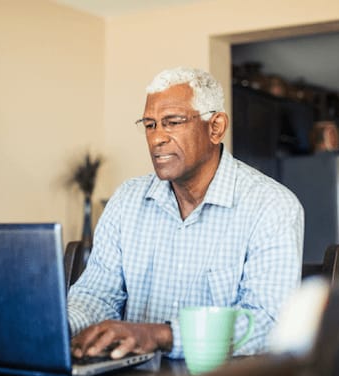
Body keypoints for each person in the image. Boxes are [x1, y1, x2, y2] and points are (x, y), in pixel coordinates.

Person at [68, 67, 304, 360]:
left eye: (173, 122)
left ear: (215, 127)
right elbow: (96, 295)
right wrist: (57, 326)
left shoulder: (271, 206)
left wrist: (160, 336)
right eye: (150, 125)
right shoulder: (126, 200)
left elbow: (269, 322)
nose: (156, 139)